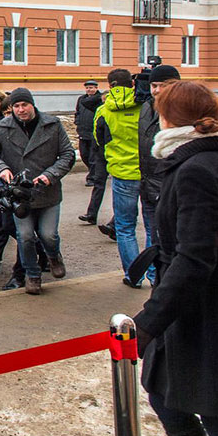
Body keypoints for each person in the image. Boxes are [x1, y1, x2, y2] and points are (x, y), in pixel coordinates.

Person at [133, 82, 218, 436]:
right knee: (165, 397)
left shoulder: (197, 170)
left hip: (207, 312)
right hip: (191, 308)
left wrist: (148, 323)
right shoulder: (203, 158)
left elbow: (195, 258)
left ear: (170, 119)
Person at [0, 88, 75, 295]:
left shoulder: (52, 125)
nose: (20, 110)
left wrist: (50, 175)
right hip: (19, 194)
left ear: (32, 105)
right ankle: (32, 275)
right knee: (25, 236)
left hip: (47, 192)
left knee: (48, 235)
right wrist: (1, 168)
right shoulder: (3, 127)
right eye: (16, 106)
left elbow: (67, 154)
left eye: (24, 105)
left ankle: (53, 256)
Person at [93, 69, 145, 287]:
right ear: (132, 84)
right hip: (148, 172)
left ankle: (133, 276)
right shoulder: (145, 106)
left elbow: (99, 140)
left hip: (122, 173)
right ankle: (155, 274)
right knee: (153, 226)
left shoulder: (103, 110)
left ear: (110, 85)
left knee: (125, 227)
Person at [132, 64, 181, 286]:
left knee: (172, 244)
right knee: (154, 240)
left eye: (165, 85)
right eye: (154, 85)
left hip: (171, 189)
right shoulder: (147, 108)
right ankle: (156, 282)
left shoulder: (183, 111)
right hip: (148, 186)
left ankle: (165, 286)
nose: (158, 90)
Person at [76, 85, 109, 225]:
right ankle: (91, 214)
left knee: (123, 190)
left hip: (115, 154)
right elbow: (85, 103)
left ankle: (118, 219)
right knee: (99, 184)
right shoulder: (99, 108)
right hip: (101, 152)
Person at [75, 80, 100, 186]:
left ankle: (92, 178)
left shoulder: (100, 99)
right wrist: (77, 121)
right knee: (84, 154)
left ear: (96, 88)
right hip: (83, 131)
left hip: (94, 132)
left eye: (91, 88)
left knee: (93, 156)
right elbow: (78, 112)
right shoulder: (81, 99)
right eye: (87, 88)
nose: (89, 90)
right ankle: (95, 171)